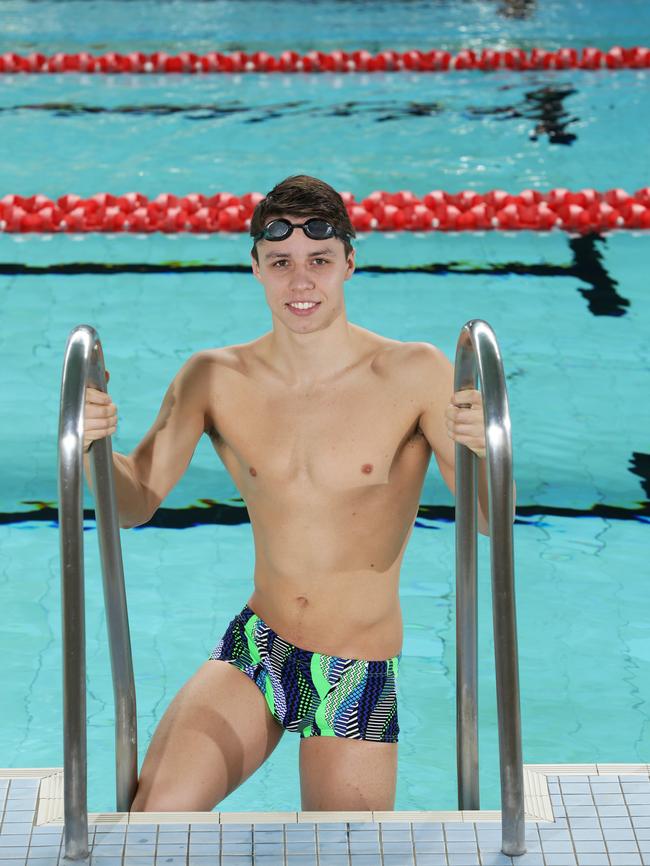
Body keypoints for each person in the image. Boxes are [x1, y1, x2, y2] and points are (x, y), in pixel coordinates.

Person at [82, 174, 515, 813]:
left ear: (349, 263)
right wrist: (93, 450)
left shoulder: (415, 372)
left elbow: (487, 521)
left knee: (342, 858)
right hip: (260, 647)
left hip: (355, 668)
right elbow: (138, 498)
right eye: (281, 263)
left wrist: (490, 452)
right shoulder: (214, 377)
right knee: (153, 824)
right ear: (256, 267)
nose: (301, 283)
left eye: (319, 261)